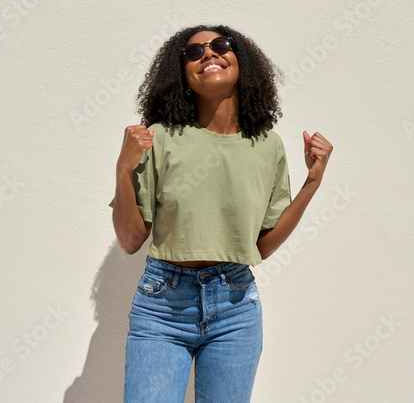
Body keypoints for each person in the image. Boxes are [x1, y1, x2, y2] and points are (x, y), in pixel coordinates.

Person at [109, 25, 333, 402]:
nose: (208, 54)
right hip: (163, 305)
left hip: (235, 308)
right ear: (181, 74)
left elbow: (259, 248)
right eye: (193, 52)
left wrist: (312, 184)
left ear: (241, 61)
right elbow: (131, 240)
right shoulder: (159, 137)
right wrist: (123, 170)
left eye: (219, 46)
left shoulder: (267, 146)